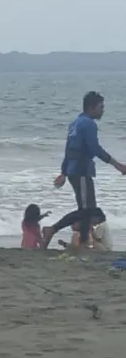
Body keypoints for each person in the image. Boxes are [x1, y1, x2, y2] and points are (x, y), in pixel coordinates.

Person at [43, 91, 126, 248]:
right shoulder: (88, 124)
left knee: (88, 210)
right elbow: (95, 148)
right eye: (101, 107)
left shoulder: (75, 123)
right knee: (86, 211)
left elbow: (69, 150)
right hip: (81, 170)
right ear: (92, 107)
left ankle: (83, 242)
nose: (103, 110)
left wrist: (64, 172)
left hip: (76, 170)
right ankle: (52, 229)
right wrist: (117, 165)